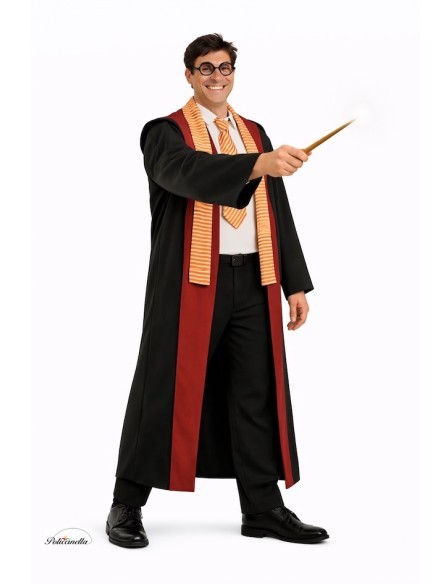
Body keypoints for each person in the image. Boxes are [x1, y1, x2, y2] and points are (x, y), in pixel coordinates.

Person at [106, 32, 329, 548]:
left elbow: (276, 207)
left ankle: (263, 509)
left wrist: (294, 283)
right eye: (205, 68)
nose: (216, 77)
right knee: (163, 388)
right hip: (189, 281)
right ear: (188, 75)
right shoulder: (166, 133)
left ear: (233, 73)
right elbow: (186, 174)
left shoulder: (254, 132)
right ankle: (126, 504)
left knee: (255, 392)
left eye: (224, 67)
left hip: (254, 279)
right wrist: (257, 164)